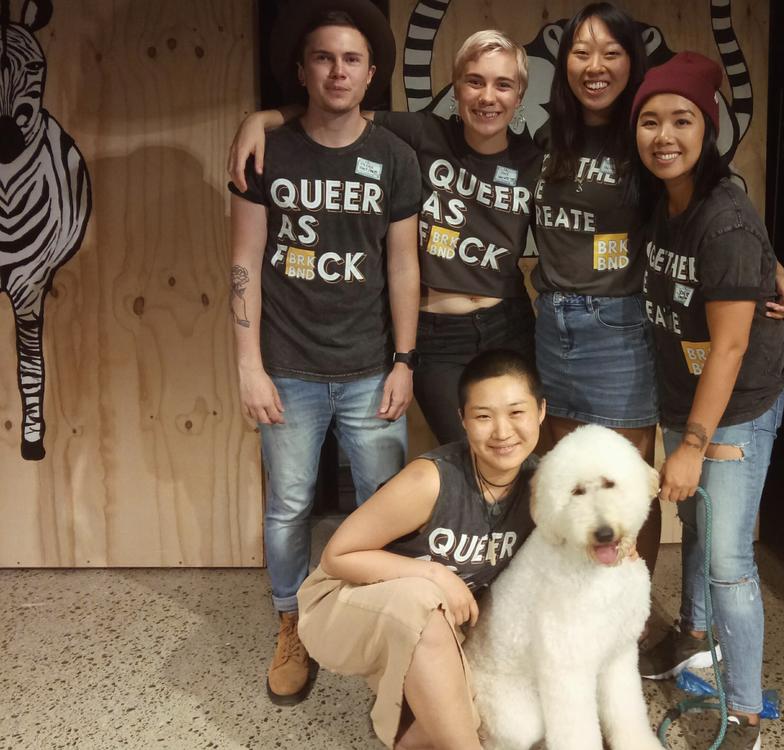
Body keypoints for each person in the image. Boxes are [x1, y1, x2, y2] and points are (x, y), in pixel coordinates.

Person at [531, 2, 784, 577]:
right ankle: (581, 604)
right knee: (569, 476)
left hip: (619, 325)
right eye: (581, 52)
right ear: (564, 62)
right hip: (552, 323)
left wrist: (769, 264)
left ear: (633, 60)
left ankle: (631, 608)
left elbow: (709, 198)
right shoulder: (548, 137)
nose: (595, 66)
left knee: (626, 481)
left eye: (611, 52)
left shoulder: (645, 135)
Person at [227, 0, 421, 705]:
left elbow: (403, 264)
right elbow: (244, 262)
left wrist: (405, 361)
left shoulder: (395, 157)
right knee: (289, 507)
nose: (338, 71)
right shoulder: (266, 152)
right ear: (303, 70)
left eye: (351, 59)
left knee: (384, 504)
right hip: (287, 369)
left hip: (372, 369)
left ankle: (381, 622)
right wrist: (248, 366)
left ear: (371, 74)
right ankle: (291, 622)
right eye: (323, 58)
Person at [229, 31, 541, 446]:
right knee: (467, 449)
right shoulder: (423, 133)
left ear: (519, 96)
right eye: (474, 81)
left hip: (509, 326)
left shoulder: (533, 160)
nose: (488, 96)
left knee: (513, 449)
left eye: (503, 84)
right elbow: (337, 109)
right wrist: (262, 119)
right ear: (456, 88)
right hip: (437, 333)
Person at [631, 52, 784, 749]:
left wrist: (695, 444)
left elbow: (729, 348)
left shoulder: (724, 221)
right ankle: (693, 637)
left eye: (682, 120)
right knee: (697, 528)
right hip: (685, 391)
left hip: (736, 407)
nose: (664, 135)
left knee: (728, 561)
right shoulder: (660, 196)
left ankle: (747, 714)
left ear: (709, 129)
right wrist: (773, 265)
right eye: (650, 121)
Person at [296, 349, 545, 749]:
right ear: (463, 420)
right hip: (343, 601)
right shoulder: (430, 480)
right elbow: (337, 556)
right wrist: (434, 574)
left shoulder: (543, 485)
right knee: (424, 604)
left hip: (438, 622)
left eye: (517, 412)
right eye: (483, 416)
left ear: (541, 412)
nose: (502, 431)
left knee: (465, 718)